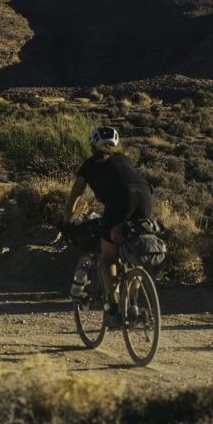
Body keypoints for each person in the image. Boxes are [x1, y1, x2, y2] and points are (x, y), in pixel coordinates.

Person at [62, 126, 153, 326]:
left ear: (93, 145)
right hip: (146, 201)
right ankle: (133, 305)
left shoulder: (89, 164)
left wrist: (66, 219)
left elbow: (75, 196)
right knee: (133, 252)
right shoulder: (125, 160)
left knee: (108, 257)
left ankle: (113, 309)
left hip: (120, 203)